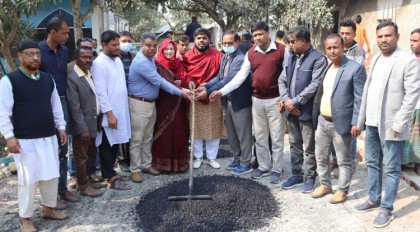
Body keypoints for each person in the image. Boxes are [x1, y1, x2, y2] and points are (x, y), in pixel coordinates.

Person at [353, 22, 420, 228]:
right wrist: (360, 121)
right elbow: (367, 91)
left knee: (391, 169)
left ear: (397, 37)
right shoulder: (376, 59)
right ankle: (374, 199)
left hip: (392, 126)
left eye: (388, 36)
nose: (384, 39)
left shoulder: (408, 60)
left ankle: (386, 208)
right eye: (380, 36)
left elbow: (411, 95)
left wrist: (399, 123)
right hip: (372, 123)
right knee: (372, 163)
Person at [0, 40, 69, 232]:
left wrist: (61, 127)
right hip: (24, 140)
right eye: (30, 54)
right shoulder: (9, 81)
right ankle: (25, 218)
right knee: (28, 180)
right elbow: (2, 112)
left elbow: (56, 106)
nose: (35, 57)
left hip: (48, 135)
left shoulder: (48, 79)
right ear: (20, 56)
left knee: (50, 175)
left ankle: (48, 208)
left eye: (37, 54)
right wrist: (9, 137)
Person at [210, 22, 287, 183]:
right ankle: (264, 167)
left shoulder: (281, 50)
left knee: (277, 137)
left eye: (260, 34)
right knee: (259, 137)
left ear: (268, 33)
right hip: (257, 100)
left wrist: (285, 98)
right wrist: (221, 91)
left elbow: (288, 75)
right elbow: (239, 77)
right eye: (255, 35)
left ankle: (277, 169)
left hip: (275, 100)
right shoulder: (251, 53)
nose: (258, 37)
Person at [128, 33, 192, 182]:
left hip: (150, 103)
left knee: (147, 137)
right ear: (141, 45)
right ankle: (135, 169)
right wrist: (182, 92)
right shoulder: (141, 62)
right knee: (137, 138)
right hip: (139, 103)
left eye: (154, 46)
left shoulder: (150, 60)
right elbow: (160, 81)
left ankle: (146, 164)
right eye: (148, 45)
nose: (151, 48)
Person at [311, 34, 366, 203]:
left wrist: (356, 122)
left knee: (344, 160)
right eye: (329, 48)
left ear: (343, 47)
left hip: (341, 123)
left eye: (336, 47)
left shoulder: (355, 68)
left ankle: (342, 189)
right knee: (320, 156)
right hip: (322, 121)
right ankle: (325, 185)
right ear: (325, 49)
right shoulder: (327, 67)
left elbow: (359, 98)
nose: (332, 51)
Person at [278, 26, 328, 193]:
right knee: (294, 143)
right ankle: (297, 174)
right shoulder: (291, 56)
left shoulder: (318, 59)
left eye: (293, 41)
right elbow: (282, 80)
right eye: (289, 41)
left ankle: (309, 176)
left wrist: (296, 101)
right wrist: (287, 101)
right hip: (290, 109)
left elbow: (315, 85)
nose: (290, 44)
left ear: (304, 41)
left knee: (309, 146)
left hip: (306, 110)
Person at [196, 31, 253, 175]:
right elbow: (220, 76)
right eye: (224, 43)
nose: (227, 46)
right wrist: (207, 85)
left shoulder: (240, 59)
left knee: (243, 134)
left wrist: (208, 92)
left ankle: (246, 163)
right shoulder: (225, 57)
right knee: (232, 134)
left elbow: (229, 80)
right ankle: (236, 159)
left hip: (240, 102)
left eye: (230, 43)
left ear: (237, 42)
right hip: (227, 101)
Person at [38, 16, 80, 207]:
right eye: (64, 32)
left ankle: (63, 189)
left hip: (64, 104)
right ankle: (50, 197)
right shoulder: (37, 51)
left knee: (63, 149)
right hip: (44, 107)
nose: (67, 35)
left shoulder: (64, 51)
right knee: (48, 151)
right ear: (53, 32)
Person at [92, 30, 132, 190]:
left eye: (118, 44)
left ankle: (111, 173)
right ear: (104, 45)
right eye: (114, 45)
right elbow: (100, 92)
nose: (117, 47)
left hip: (120, 110)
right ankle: (110, 177)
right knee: (107, 146)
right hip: (109, 113)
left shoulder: (117, 60)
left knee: (115, 144)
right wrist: (109, 114)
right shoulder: (99, 64)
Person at [183, 28, 224, 169]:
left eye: (204, 38)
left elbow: (221, 75)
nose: (201, 40)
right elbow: (184, 74)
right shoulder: (187, 56)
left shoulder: (218, 55)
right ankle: (198, 157)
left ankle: (212, 158)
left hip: (212, 95)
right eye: (199, 38)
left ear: (209, 40)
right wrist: (189, 82)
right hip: (194, 95)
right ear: (195, 40)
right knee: (196, 127)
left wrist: (208, 88)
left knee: (214, 126)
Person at [67, 46, 104, 198]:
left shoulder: (89, 74)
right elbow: (75, 107)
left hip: (93, 123)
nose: (88, 60)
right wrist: (82, 129)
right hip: (82, 126)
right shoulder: (73, 78)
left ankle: (87, 180)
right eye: (84, 57)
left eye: (90, 57)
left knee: (90, 154)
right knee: (81, 157)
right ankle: (82, 186)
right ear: (76, 58)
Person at [152, 39, 191, 173]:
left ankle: (179, 164)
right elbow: (158, 83)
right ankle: (161, 163)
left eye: (171, 49)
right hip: (163, 103)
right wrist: (174, 84)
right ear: (161, 51)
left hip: (179, 104)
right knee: (164, 133)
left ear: (175, 50)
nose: (169, 52)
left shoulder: (179, 64)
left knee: (179, 131)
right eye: (166, 49)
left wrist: (189, 83)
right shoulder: (156, 65)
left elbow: (186, 78)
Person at [118, 31, 136, 173]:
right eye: (123, 41)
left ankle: (131, 158)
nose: (126, 44)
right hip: (119, 98)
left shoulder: (133, 57)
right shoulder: (114, 58)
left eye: (129, 41)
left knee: (131, 129)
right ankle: (122, 159)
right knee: (121, 129)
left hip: (132, 97)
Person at [403, 28, 420, 175]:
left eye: (415, 41)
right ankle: (406, 162)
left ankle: (417, 163)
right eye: (411, 40)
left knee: (417, 137)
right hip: (408, 104)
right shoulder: (406, 59)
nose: (412, 44)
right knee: (407, 134)